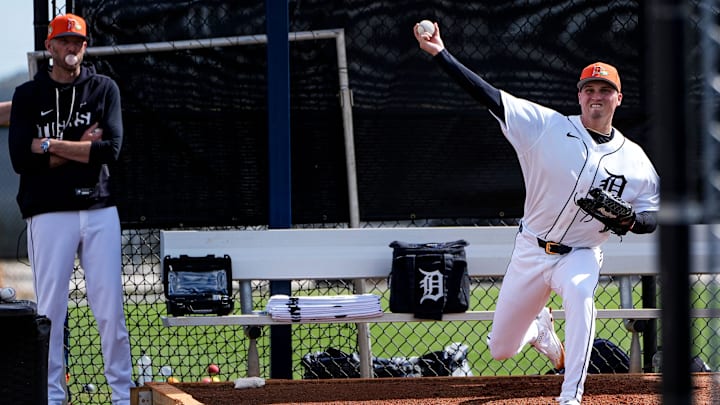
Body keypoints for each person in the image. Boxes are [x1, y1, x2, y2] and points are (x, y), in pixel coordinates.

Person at [414, 22, 659, 405]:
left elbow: (651, 217)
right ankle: (538, 331)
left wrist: (629, 220)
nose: (597, 96)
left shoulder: (636, 160)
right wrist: (441, 55)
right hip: (531, 250)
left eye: (605, 90)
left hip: (580, 253)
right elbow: (489, 97)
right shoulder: (546, 127)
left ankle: (570, 395)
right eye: (589, 89)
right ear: (579, 97)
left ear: (618, 99)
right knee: (501, 349)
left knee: (580, 294)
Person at [8, 13, 133, 405]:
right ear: (49, 46)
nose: (71, 49)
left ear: (85, 45)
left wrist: (48, 146)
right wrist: (78, 147)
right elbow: (19, 159)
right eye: (64, 41)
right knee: (50, 313)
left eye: (77, 42)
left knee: (110, 308)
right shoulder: (30, 94)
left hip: (98, 208)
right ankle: (52, 396)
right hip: (48, 212)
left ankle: (121, 395)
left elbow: (109, 149)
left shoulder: (103, 88)